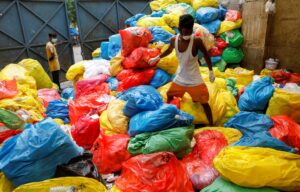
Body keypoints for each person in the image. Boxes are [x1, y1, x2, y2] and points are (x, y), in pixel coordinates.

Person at [149, 14, 215, 125]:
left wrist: (211, 71)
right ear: (180, 29)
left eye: (190, 31)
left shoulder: (197, 41)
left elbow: (206, 55)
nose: (188, 34)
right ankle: (168, 117)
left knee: (204, 103)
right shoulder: (174, 40)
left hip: (195, 80)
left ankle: (212, 124)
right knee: (170, 95)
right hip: (180, 77)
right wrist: (157, 57)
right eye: (185, 31)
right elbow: (169, 51)